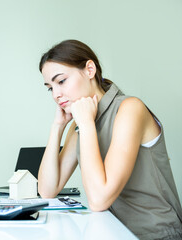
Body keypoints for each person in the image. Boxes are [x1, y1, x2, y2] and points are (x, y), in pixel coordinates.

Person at [37, 39, 182, 239]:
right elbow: (47, 191)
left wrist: (86, 124)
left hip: (156, 234)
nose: (56, 94)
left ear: (89, 70)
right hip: (115, 232)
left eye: (61, 81)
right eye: (50, 88)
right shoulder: (80, 122)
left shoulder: (130, 108)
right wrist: (58, 127)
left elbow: (98, 200)